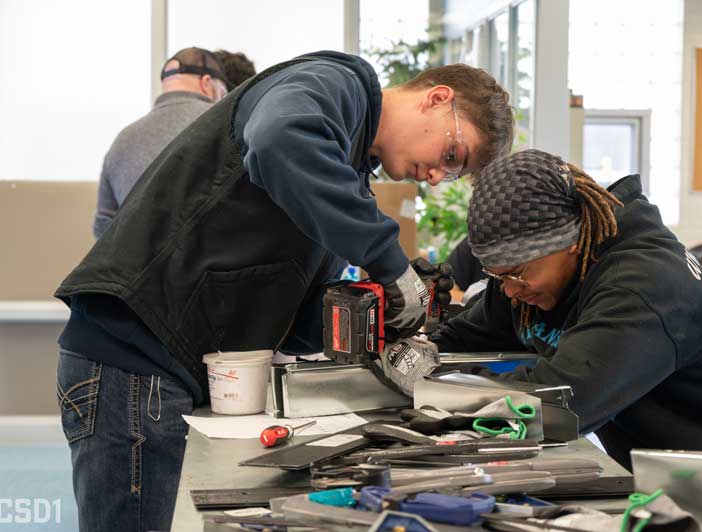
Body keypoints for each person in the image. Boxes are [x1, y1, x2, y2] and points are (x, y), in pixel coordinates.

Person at [56, 50, 514, 531]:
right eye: (450, 156)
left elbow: (293, 326)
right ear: (437, 99)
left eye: (453, 175)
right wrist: (387, 258)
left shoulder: (344, 177)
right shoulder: (338, 83)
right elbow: (278, 139)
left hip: (166, 369)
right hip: (132, 357)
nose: (439, 176)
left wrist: (372, 318)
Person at [432, 149, 702, 482]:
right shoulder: (533, 279)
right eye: (498, 276)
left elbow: (556, 405)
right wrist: (416, 355)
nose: (509, 290)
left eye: (516, 273)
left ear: (569, 242)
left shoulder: (643, 285)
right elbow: (463, 337)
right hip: (676, 476)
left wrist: (439, 402)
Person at [93, 47, 229, 238]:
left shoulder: (123, 140)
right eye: (222, 93)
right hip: (215, 261)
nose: (223, 100)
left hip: (139, 265)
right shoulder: (223, 123)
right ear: (206, 83)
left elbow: (103, 226)